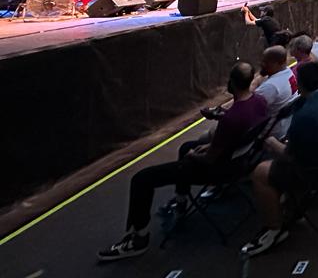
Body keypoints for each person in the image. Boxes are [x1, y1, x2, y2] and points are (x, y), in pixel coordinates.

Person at [99, 62, 269, 261]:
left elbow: (210, 158)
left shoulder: (231, 118)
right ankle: (181, 201)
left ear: (231, 82)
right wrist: (209, 146)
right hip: (240, 159)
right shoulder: (259, 102)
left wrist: (196, 155)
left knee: (142, 179)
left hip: (219, 170)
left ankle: (138, 239)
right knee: (186, 145)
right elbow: (232, 138)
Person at [242, 61, 318, 257]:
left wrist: (269, 141)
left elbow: (288, 155)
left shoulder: (305, 115)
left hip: (316, 170)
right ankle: (288, 206)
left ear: (300, 84)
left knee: (260, 172)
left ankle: (274, 230)